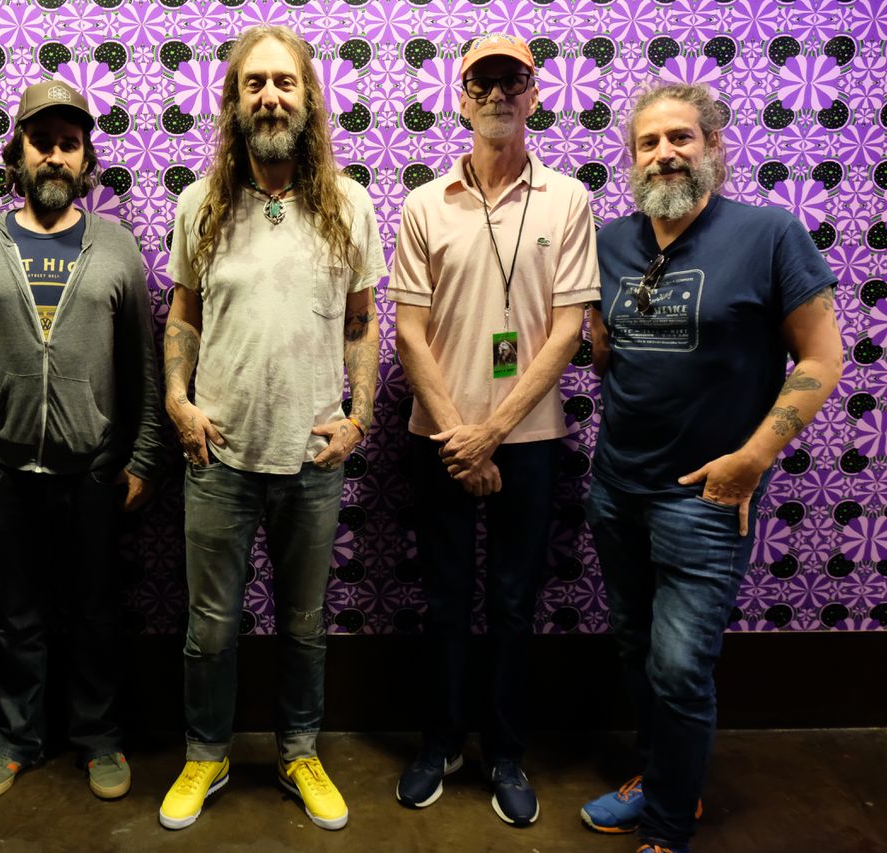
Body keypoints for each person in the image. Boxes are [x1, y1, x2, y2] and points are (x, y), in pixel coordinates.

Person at [582, 83, 842, 853]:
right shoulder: (610, 242)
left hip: (704, 495)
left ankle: (668, 828)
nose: (664, 153)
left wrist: (752, 460)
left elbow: (822, 358)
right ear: (631, 158)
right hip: (616, 487)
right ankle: (665, 778)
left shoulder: (768, 234)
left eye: (680, 137)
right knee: (636, 648)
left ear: (713, 147)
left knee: (678, 666)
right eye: (648, 142)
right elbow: (604, 351)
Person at [157, 24, 386, 832]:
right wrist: (178, 399)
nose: (270, 96)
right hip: (218, 450)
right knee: (211, 627)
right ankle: (206, 753)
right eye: (254, 83)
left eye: (284, 82)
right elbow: (183, 314)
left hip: (313, 453)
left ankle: (298, 751)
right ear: (233, 100)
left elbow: (362, 320)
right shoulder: (201, 204)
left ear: (308, 97)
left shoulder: (349, 205)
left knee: (304, 623)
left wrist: (360, 417)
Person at [387, 32, 600, 826]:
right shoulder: (424, 203)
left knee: (514, 601)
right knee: (444, 599)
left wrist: (495, 430)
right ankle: (440, 741)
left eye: (513, 81)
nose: (498, 94)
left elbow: (569, 329)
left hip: (531, 438)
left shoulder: (568, 200)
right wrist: (461, 434)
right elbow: (409, 332)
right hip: (439, 435)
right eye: (483, 82)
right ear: (462, 98)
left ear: (535, 95)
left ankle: (506, 749)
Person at [0, 81, 165, 802]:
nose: (55, 156)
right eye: (42, 143)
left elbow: (142, 365)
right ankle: (15, 741)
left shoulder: (116, 245)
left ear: (86, 158)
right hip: (3, 468)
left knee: (95, 614)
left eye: (69, 144)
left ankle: (99, 739)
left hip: (93, 470)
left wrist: (144, 456)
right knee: (16, 618)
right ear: (19, 154)